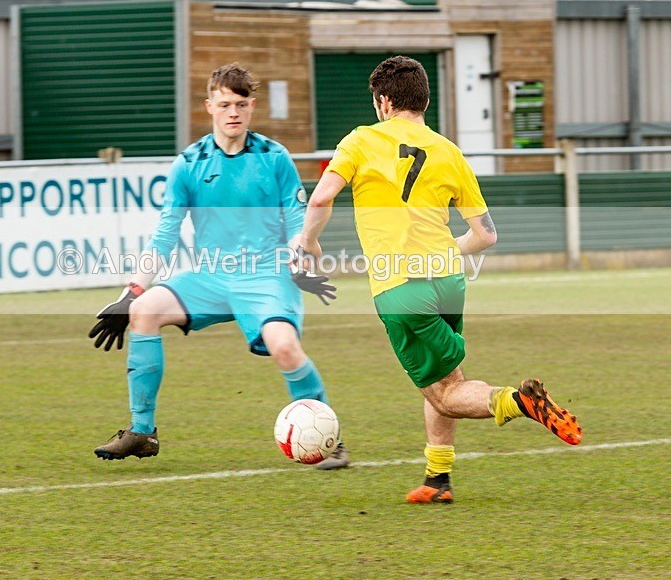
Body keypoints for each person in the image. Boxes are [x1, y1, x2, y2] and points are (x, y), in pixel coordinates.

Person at [298, 55, 582, 502]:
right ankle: (438, 478)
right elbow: (486, 235)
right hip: (448, 281)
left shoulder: (361, 140)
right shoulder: (449, 151)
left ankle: (517, 402)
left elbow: (320, 201)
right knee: (445, 379)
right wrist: (447, 251)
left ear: (384, 101)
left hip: (400, 287)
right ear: (423, 100)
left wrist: (309, 244)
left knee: (447, 393)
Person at [87, 63, 348, 470]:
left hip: (266, 274)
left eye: (241, 104)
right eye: (224, 104)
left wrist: (299, 252)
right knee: (144, 311)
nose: (233, 112)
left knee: (283, 347)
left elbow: (297, 221)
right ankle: (142, 432)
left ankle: (330, 440)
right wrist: (131, 292)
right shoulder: (189, 163)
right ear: (209, 105)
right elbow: (165, 235)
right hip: (210, 275)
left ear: (252, 106)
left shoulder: (273, 157)